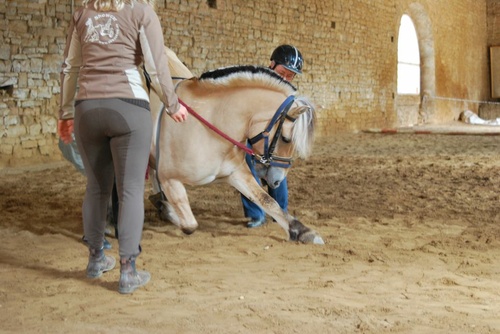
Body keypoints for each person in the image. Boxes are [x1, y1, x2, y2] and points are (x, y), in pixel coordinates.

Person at [58, 0, 188, 294]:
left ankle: (95, 260)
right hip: (129, 107)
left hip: (87, 110)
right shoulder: (141, 11)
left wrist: (65, 114)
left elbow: (69, 67)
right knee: (129, 190)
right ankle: (128, 271)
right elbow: (156, 66)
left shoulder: (81, 14)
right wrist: (173, 104)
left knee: (96, 187)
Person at [241, 44, 304, 228]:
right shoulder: (256, 86)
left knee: (278, 165)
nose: (285, 78)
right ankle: (256, 214)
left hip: (273, 142)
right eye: (282, 72)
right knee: (245, 161)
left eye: (290, 75)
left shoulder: (289, 95)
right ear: (271, 64)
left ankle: (280, 212)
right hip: (252, 140)